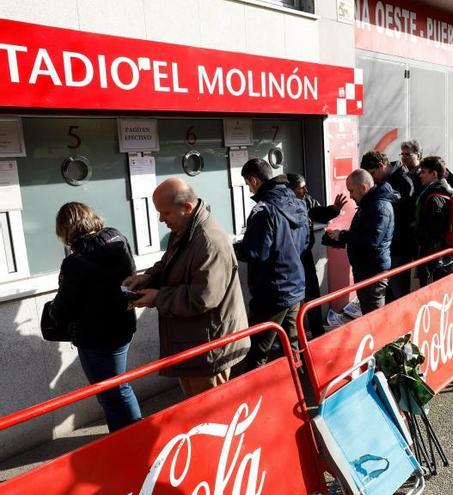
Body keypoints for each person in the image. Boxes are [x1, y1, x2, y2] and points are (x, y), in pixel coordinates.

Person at [127, 178, 249, 398]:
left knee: (209, 413)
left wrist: (158, 297)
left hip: (208, 346)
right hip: (194, 342)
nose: (161, 220)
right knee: (197, 410)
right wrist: (148, 278)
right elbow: (169, 263)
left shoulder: (208, 241)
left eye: (165, 213)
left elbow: (203, 297)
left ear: (187, 207)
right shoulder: (186, 228)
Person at [49, 202, 141, 431]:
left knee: (112, 392)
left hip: (96, 337)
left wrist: (52, 311)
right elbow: (127, 278)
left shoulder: (74, 261)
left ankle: (129, 439)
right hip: (123, 325)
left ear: (65, 228)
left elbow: (64, 308)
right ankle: (132, 434)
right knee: (118, 386)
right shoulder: (118, 239)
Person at [233, 159, 309, 372]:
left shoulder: (263, 209)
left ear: (254, 180)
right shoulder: (297, 202)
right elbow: (304, 243)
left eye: (248, 184)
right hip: (295, 284)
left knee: (259, 348)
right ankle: (300, 389)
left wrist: (235, 249)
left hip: (272, 291)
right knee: (292, 345)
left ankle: (259, 396)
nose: (249, 188)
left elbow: (256, 252)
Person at [327, 169, 398, 312]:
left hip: (372, 272)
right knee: (369, 315)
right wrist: (340, 238)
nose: (350, 196)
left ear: (363, 188)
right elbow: (363, 234)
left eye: (351, 191)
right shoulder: (369, 204)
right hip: (366, 270)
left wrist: (342, 235)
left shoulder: (378, 207)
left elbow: (371, 241)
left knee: (374, 318)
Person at [286, 173, 346, 336]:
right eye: (301, 188)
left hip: (305, 255)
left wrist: (333, 210)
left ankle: (317, 330)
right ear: (290, 190)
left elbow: (318, 211)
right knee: (291, 300)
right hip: (289, 260)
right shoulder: (282, 205)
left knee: (313, 295)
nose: (306, 190)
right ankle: (291, 336)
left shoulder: (305, 200)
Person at [361, 151, 416, 302]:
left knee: (399, 295)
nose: (372, 179)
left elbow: (404, 218)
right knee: (390, 295)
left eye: (373, 173)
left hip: (399, 247)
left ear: (381, 166)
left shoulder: (403, 182)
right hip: (391, 246)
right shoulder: (391, 180)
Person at [415, 155, 453, 284]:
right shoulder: (446, 190)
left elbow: (434, 230)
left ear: (434, 174)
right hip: (443, 254)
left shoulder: (435, 198)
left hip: (434, 256)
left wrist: (419, 234)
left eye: (423, 172)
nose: (420, 175)